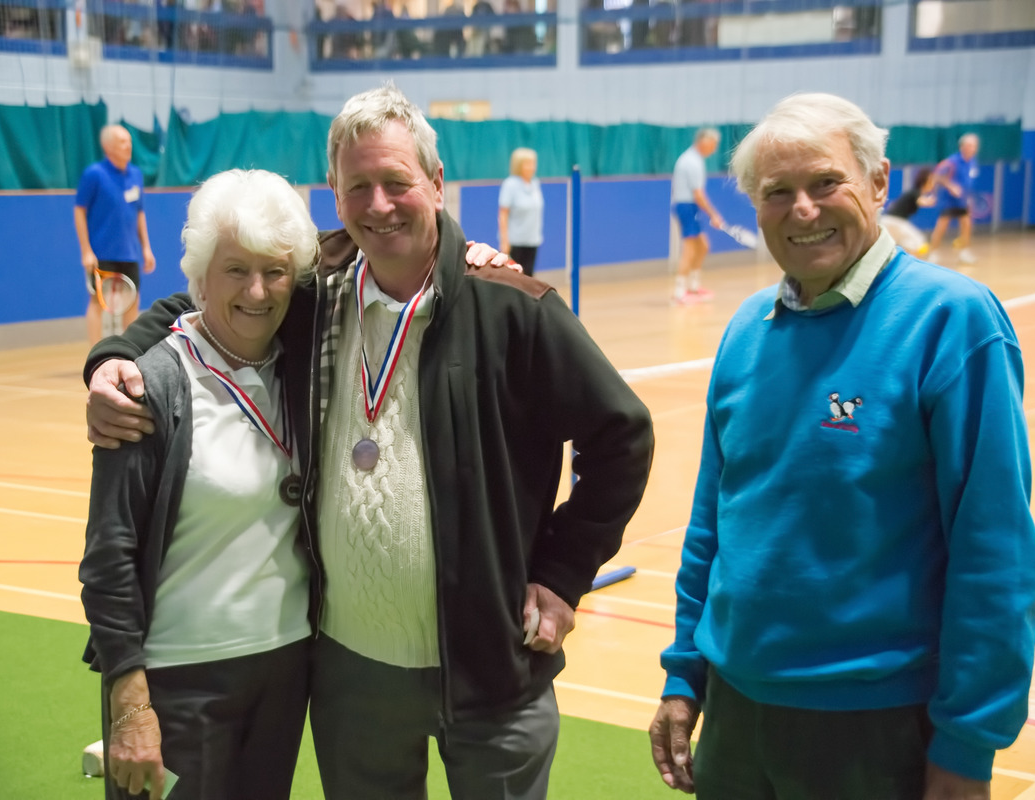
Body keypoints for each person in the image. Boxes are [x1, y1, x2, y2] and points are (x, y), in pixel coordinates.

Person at [84, 84, 655, 800]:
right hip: (351, 675)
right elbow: (204, 301)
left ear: (438, 184)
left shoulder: (513, 306)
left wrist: (565, 570)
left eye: (397, 182)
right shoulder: (314, 291)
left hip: (489, 666)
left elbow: (622, 436)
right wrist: (111, 358)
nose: (380, 205)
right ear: (336, 196)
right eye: (359, 187)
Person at [649, 93, 1035, 800]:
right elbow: (714, 519)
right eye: (778, 192)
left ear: (879, 183)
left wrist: (968, 741)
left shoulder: (953, 321)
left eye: (825, 183)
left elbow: (995, 551)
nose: (803, 209)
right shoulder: (745, 330)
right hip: (736, 715)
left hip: (874, 728)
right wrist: (684, 674)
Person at [79, 169, 320, 800]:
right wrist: (129, 702)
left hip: (285, 668)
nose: (258, 291)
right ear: (200, 275)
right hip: (176, 680)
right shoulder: (150, 385)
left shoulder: (304, 363)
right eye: (236, 270)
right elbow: (108, 560)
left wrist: (466, 253)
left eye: (274, 270)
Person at [75, 124, 156, 345]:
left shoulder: (136, 174)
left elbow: (139, 213)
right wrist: (86, 251)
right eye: (122, 142)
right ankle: (95, 353)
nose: (128, 145)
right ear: (108, 147)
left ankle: (127, 350)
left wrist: (146, 248)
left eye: (129, 141)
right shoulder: (94, 175)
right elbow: (79, 210)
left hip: (129, 253)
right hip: (102, 252)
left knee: (132, 301)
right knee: (97, 301)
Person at [670, 128, 724, 303]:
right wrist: (714, 215)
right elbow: (698, 194)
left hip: (689, 206)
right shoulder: (691, 161)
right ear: (703, 142)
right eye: (713, 145)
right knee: (690, 248)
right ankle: (679, 293)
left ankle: (693, 287)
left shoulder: (694, 159)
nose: (714, 149)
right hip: (687, 206)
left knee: (703, 245)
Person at [928, 132, 981, 265]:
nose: (973, 148)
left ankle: (964, 253)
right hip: (948, 200)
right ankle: (933, 252)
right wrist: (951, 186)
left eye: (974, 146)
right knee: (942, 226)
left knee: (967, 224)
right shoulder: (952, 161)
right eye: (970, 145)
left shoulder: (972, 162)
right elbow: (937, 176)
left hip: (962, 200)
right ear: (962, 146)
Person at [498, 147, 544, 276]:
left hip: (532, 240)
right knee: (515, 279)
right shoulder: (510, 185)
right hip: (515, 242)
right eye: (528, 164)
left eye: (533, 164)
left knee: (529, 277)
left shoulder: (535, 183)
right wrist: (504, 241)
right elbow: (503, 214)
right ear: (519, 165)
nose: (532, 167)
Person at [881, 165, 936, 257]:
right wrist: (930, 201)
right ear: (925, 181)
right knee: (919, 242)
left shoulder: (913, 192)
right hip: (896, 222)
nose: (932, 184)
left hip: (888, 221)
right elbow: (920, 201)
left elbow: (892, 204)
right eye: (931, 181)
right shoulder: (916, 192)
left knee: (896, 246)